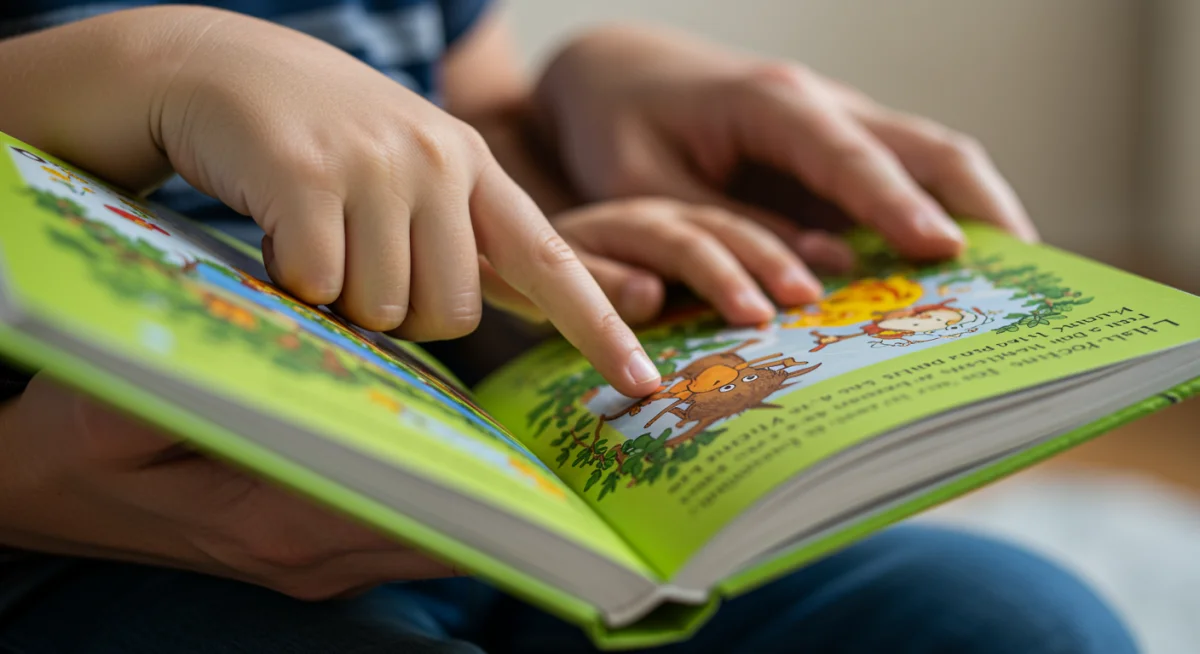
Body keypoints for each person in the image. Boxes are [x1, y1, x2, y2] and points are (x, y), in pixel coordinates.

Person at [0, 3, 1137, 653]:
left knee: (1011, 622)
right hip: (79, 551)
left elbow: (460, 81)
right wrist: (157, 68)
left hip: (489, 499)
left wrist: (585, 91)